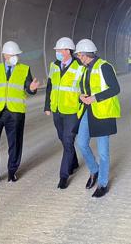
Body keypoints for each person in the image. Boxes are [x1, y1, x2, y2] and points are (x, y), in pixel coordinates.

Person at [0, 41, 39, 186]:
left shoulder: (24, 69)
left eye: (17, 55)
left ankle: (12, 171)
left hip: (15, 112)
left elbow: (29, 88)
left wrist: (32, 88)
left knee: (15, 143)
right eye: (12, 55)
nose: (15, 57)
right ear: (5, 55)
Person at [74, 39, 121, 198]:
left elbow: (115, 88)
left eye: (80, 54)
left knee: (103, 152)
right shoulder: (84, 68)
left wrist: (95, 98)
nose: (78, 57)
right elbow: (84, 87)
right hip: (87, 110)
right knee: (81, 143)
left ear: (87, 54)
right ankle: (94, 170)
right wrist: (81, 95)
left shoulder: (104, 67)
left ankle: (102, 183)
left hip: (102, 113)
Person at [44, 37, 84, 189]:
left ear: (68, 51)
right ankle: (73, 162)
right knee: (62, 138)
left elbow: (85, 87)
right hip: (57, 110)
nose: (57, 53)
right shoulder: (54, 66)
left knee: (68, 140)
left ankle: (63, 176)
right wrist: (47, 106)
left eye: (59, 51)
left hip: (72, 111)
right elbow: (50, 86)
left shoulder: (80, 66)